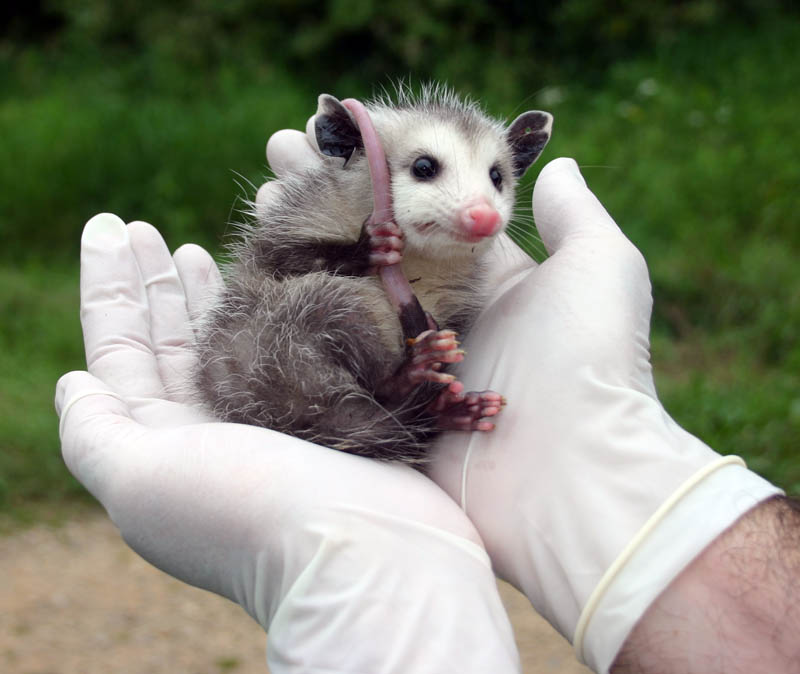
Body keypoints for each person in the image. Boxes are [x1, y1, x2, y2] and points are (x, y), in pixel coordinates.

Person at [55, 116, 798, 673]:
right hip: (297, 365)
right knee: (333, 317)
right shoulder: (327, 223)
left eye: (500, 179)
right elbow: (281, 270)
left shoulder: (446, 273)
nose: (481, 210)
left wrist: (600, 474)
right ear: (367, 164)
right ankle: (406, 393)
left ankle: (407, 396)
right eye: (425, 168)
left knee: (386, 339)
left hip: (362, 394)